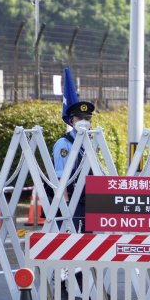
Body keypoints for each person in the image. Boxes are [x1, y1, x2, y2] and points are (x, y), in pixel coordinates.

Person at [53, 100, 95, 233]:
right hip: (72, 201)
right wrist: (65, 206)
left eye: (87, 119)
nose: (84, 122)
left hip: (89, 200)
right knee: (70, 238)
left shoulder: (91, 141)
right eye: (80, 118)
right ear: (72, 121)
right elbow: (60, 177)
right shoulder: (64, 144)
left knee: (91, 239)